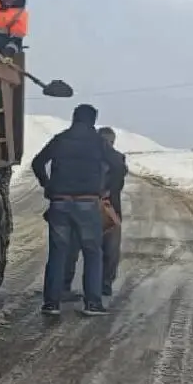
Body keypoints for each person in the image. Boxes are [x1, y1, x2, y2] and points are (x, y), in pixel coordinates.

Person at [31, 105, 127, 317]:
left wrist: (47, 184)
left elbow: (37, 163)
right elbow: (119, 164)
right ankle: (92, 303)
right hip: (87, 202)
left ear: (74, 118)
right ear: (93, 121)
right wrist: (106, 187)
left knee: (58, 252)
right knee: (93, 252)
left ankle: (51, 303)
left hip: (60, 203)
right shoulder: (98, 142)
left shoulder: (61, 139)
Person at [62, 126, 127, 300]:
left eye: (110, 142)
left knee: (106, 250)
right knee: (79, 249)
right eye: (105, 142)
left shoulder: (116, 159)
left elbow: (118, 179)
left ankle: (102, 286)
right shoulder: (89, 158)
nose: (108, 145)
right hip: (92, 209)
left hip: (108, 209)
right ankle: (76, 286)